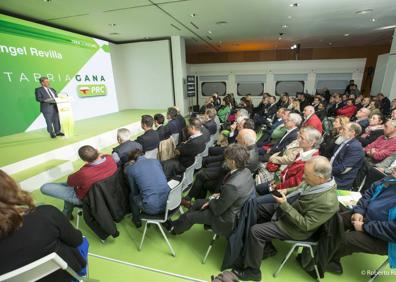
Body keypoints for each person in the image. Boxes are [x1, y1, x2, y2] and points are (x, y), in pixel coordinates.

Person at [232, 157, 339, 281]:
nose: (303, 177)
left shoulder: (328, 202)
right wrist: (287, 190)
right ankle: (262, 248)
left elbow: (306, 225)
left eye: (307, 175)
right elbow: (301, 188)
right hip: (290, 209)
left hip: (296, 228)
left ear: (320, 178)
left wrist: (284, 205)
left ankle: (253, 271)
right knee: (255, 209)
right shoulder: (316, 182)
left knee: (256, 232)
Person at [0, 170, 87, 281]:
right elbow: (77, 240)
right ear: (10, 188)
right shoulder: (45, 214)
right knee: (82, 240)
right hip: (67, 274)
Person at [168, 144, 255, 237]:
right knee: (197, 203)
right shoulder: (246, 171)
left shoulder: (232, 186)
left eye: (227, 159)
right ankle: (178, 225)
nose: (225, 161)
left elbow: (217, 210)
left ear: (233, 162)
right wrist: (215, 198)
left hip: (224, 218)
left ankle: (174, 229)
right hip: (230, 207)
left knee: (190, 217)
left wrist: (210, 201)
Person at [328, 166, 396, 274]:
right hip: (366, 217)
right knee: (334, 220)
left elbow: (392, 230)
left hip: (387, 239)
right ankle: (320, 247)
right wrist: (359, 211)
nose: (393, 167)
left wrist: (365, 227)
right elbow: (369, 192)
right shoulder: (390, 179)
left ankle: (328, 259)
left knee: (346, 239)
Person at [40, 145, 117, 219]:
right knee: (68, 189)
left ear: (85, 161)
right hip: (107, 192)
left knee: (45, 187)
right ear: (97, 150)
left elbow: (70, 181)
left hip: (86, 198)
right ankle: (66, 214)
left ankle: (66, 214)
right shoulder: (110, 158)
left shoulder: (84, 173)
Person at [124, 150, 170, 227]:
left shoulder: (131, 169)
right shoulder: (155, 161)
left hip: (152, 209)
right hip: (169, 204)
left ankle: (136, 221)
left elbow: (134, 191)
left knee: (132, 196)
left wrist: (128, 166)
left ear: (132, 160)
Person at [330, 122, 364, 190]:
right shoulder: (344, 141)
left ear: (352, 132)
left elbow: (342, 169)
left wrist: (326, 172)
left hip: (339, 180)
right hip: (331, 171)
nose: (340, 131)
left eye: (344, 129)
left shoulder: (355, 147)